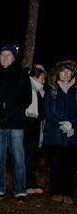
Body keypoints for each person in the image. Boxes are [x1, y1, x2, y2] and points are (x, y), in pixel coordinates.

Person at [0, 44, 32, 203]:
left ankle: (20, 191)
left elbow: (26, 99)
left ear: (13, 57)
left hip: (16, 123)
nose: (5, 57)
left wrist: (10, 113)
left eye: (8, 55)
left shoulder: (22, 75)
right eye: (2, 55)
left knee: (18, 158)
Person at [42, 59, 77, 204]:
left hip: (72, 136)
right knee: (56, 164)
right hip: (54, 135)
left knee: (69, 165)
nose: (66, 74)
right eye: (63, 71)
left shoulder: (75, 92)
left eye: (69, 71)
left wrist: (71, 123)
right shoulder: (52, 92)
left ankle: (67, 192)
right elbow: (47, 111)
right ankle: (56, 191)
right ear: (57, 74)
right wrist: (60, 123)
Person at [24, 66, 47, 194]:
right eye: (43, 78)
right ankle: (27, 184)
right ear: (35, 77)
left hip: (36, 125)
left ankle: (32, 183)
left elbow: (42, 112)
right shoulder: (27, 87)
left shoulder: (40, 91)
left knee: (33, 156)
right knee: (27, 156)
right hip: (27, 124)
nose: (44, 81)